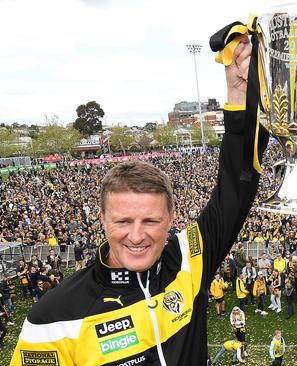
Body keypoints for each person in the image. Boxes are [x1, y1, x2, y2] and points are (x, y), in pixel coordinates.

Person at [11, 36, 270, 365]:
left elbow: (237, 186)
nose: (136, 236)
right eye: (123, 221)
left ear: (171, 217)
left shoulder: (188, 260)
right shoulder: (51, 318)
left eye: (150, 220)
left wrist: (239, 92)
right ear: (102, 219)